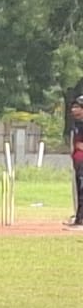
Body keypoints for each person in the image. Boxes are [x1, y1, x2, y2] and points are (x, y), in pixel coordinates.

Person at [67, 95, 83, 230]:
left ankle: (81, 220)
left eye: (77, 107)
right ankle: (78, 217)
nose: (74, 110)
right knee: (78, 189)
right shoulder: (76, 124)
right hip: (77, 160)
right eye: (73, 107)